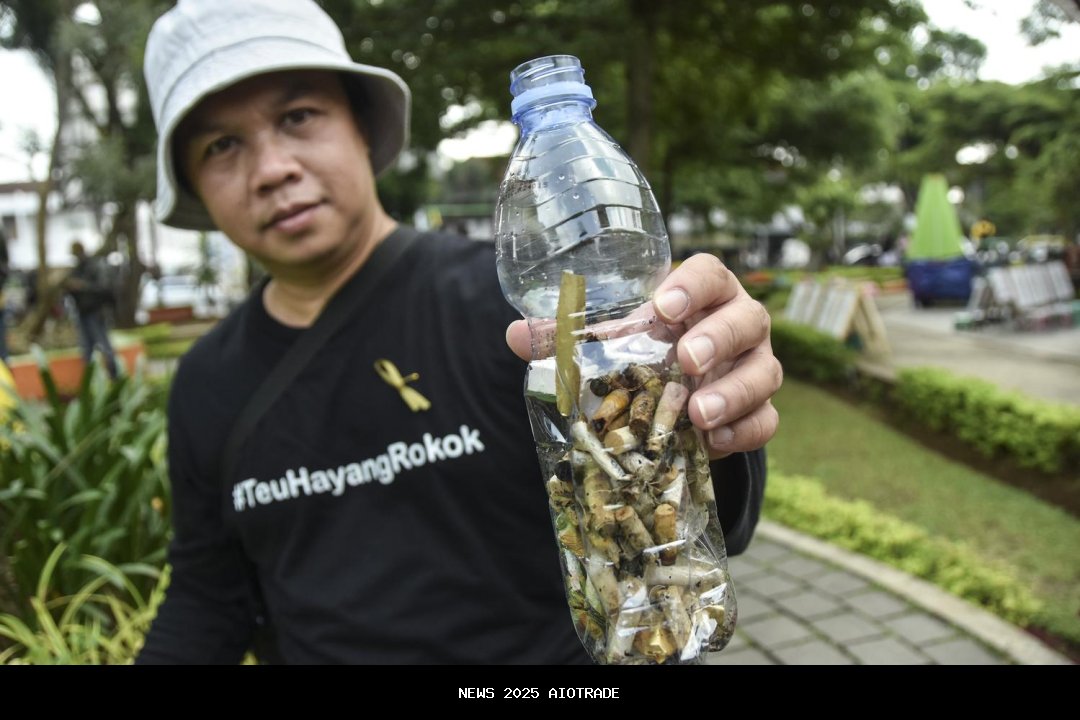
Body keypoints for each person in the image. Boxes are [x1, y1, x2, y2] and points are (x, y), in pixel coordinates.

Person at [136, 0, 782, 665]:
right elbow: (209, 598)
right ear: (195, 183)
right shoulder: (207, 382)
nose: (272, 168)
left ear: (361, 126)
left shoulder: (522, 318)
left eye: (297, 116)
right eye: (221, 145)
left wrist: (707, 398)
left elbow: (685, 505)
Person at [63, 240, 119, 378]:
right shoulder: (78, 269)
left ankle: (114, 376)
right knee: (86, 348)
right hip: (83, 312)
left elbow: (103, 289)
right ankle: (90, 380)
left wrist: (82, 286)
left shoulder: (95, 265)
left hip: (96, 312)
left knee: (104, 345)